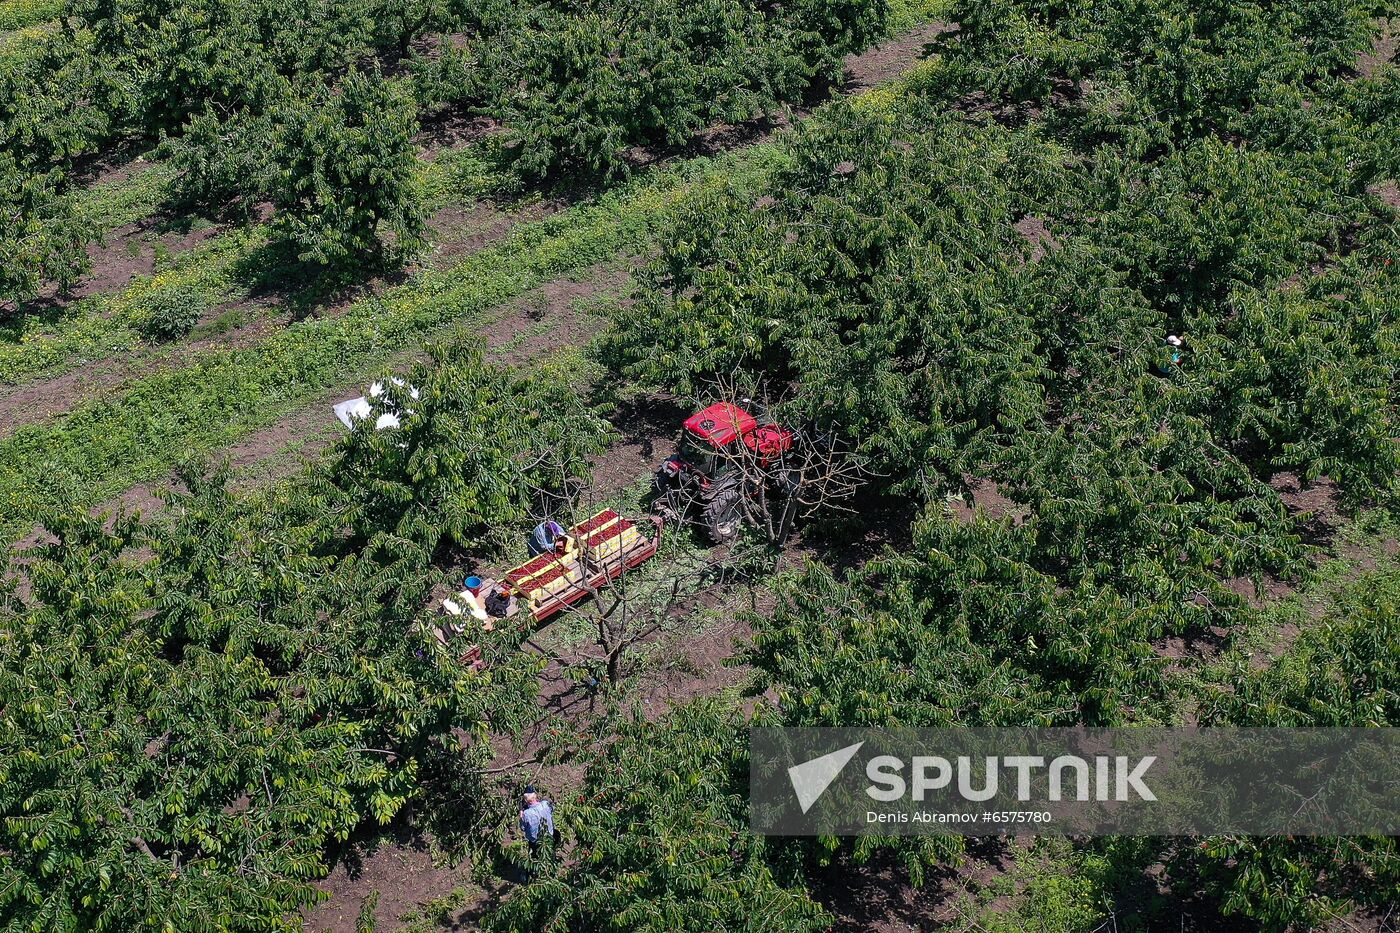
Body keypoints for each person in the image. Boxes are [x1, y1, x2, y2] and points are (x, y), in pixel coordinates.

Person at [519, 785, 555, 859]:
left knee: (535, 858)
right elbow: (552, 808)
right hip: (549, 836)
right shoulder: (545, 805)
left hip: (535, 841)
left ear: (526, 800)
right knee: (550, 855)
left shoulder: (526, 814)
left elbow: (522, 828)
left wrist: (521, 816)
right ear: (535, 796)